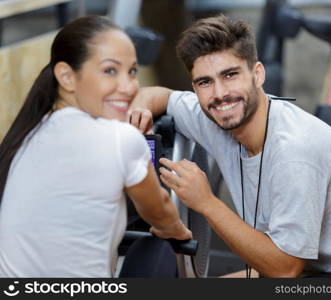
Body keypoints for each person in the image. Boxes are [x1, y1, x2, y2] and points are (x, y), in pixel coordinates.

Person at [129, 15, 331, 278]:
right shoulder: (214, 115)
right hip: (321, 269)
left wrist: (206, 203)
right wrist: (139, 110)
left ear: (257, 74)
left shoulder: (295, 152)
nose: (219, 93)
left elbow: (284, 271)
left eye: (231, 75)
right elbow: (160, 96)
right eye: (205, 82)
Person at [0, 15, 191, 277]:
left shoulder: (29, 134)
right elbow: (160, 212)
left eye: (132, 71)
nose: (128, 87)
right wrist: (180, 232)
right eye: (110, 71)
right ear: (66, 77)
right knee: (161, 247)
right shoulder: (120, 138)